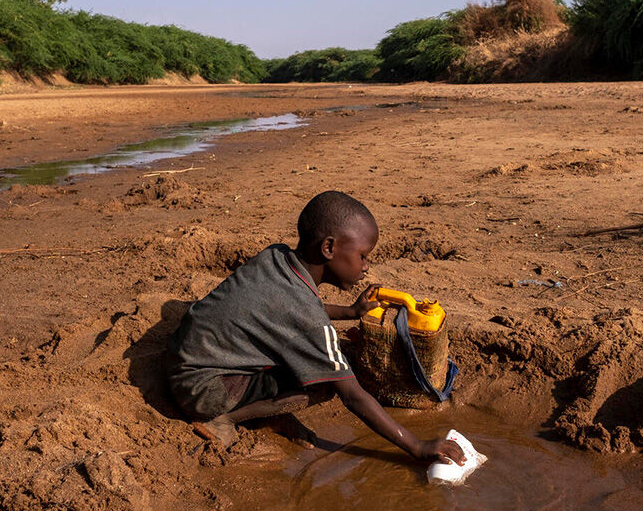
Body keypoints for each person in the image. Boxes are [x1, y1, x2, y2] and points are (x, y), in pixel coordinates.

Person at [166, 190, 465, 467]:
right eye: (362, 255)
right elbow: (352, 396)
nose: (366, 266)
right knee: (325, 380)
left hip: (185, 360)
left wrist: (349, 312)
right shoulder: (306, 314)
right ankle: (225, 418)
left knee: (313, 355)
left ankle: (265, 413)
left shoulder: (277, 257)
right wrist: (417, 446)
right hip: (202, 391)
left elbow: (285, 311)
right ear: (329, 247)